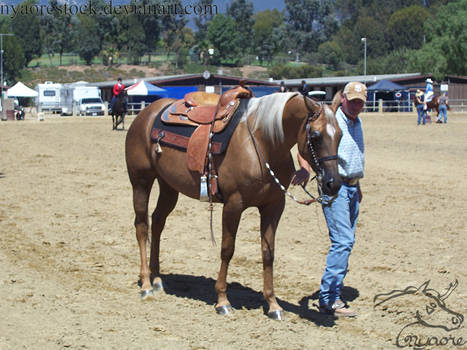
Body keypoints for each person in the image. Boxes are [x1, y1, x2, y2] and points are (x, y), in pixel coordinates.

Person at [292, 81, 367, 318]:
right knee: (343, 241)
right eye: (352, 101)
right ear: (342, 98)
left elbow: (354, 156)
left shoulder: (357, 122)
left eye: (360, 102)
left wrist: (358, 186)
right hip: (337, 187)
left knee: (347, 241)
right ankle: (328, 299)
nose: (356, 106)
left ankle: (334, 293)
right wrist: (304, 168)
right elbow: (303, 147)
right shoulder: (331, 120)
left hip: (352, 187)